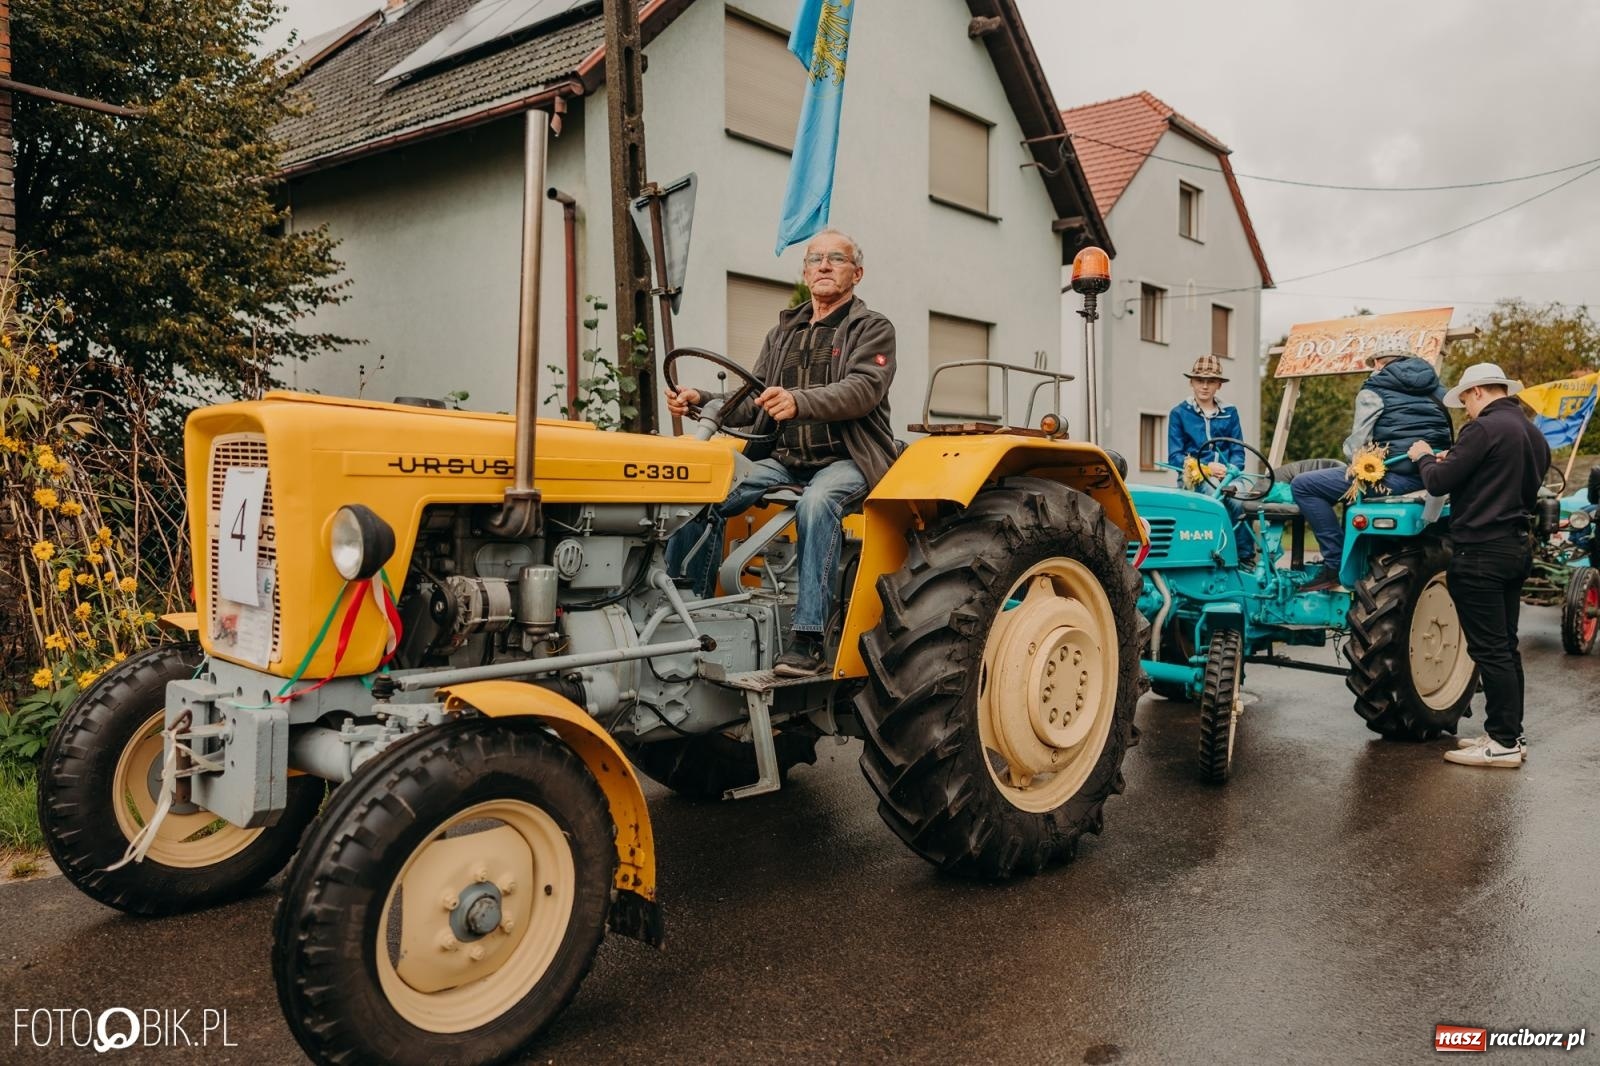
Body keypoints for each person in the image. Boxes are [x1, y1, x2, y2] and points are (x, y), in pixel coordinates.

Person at [664, 227, 897, 677]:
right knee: (708, 489)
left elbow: (863, 389)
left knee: (818, 500)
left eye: (836, 258)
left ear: (857, 273)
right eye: (814, 259)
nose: (824, 266)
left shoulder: (872, 328)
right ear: (806, 273)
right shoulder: (783, 333)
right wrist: (700, 400)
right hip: (786, 460)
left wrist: (799, 401)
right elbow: (752, 405)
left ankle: (808, 638)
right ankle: (685, 608)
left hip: (847, 459)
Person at [1405, 363, 1549, 768]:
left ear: (1480, 392)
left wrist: (1424, 456)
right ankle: (1509, 735)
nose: (1466, 408)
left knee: (1489, 650)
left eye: (1465, 400)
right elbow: (1500, 481)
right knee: (1505, 647)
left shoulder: (1483, 429)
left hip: (1480, 551)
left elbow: (1437, 481)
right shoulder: (1534, 435)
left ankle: (1502, 742)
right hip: (1515, 546)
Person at [1291, 339, 1454, 591]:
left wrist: (1358, 459)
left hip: (1396, 476)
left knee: (1304, 485)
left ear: (1379, 363)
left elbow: (1356, 446)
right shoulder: (1439, 390)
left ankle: (1334, 564)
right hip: (1432, 475)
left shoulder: (1374, 388)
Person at [1167, 354, 1255, 566]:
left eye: (1211, 381)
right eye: (1200, 380)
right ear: (1191, 382)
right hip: (1195, 477)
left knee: (1240, 500)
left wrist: (1231, 470)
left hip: (1228, 475)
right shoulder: (1179, 413)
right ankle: (1214, 553)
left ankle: (1245, 557)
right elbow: (1175, 456)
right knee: (1213, 498)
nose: (1204, 386)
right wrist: (1205, 468)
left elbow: (1238, 450)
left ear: (1219, 385)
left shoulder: (1230, 413)